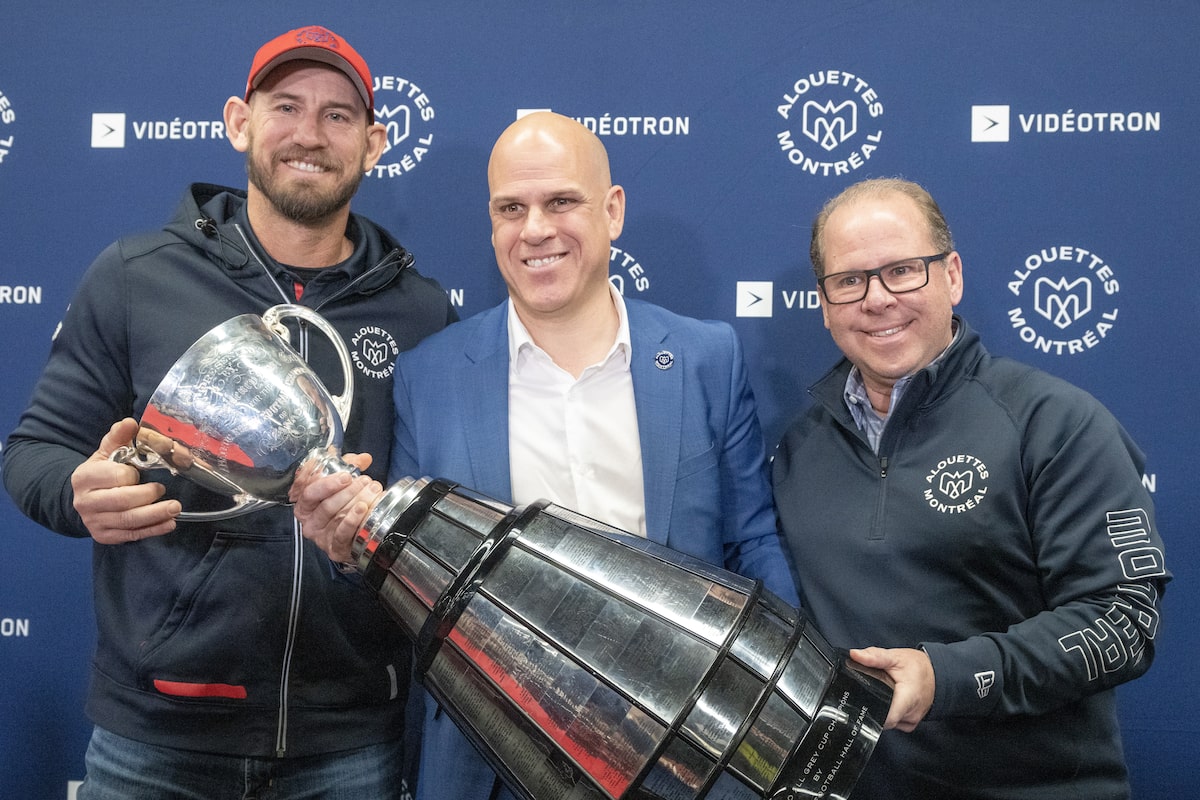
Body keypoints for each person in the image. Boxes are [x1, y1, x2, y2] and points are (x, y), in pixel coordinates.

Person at [291, 111, 800, 800]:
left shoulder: (707, 358)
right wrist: (348, 548)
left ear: (613, 211)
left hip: (687, 762)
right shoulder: (429, 375)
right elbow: (398, 575)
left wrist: (784, 708)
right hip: (488, 763)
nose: (535, 230)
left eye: (562, 201)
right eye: (512, 208)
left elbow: (753, 545)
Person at [2, 25, 456, 799]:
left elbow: (437, 514)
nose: (309, 135)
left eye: (339, 115)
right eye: (286, 106)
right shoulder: (138, 277)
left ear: (375, 142)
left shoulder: (420, 314)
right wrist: (81, 492)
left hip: (347, 742)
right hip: (157, 738)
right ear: (238, 123)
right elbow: (34, 452)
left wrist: (375, 529)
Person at [771, 177, 1169, 799]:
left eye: (903, 270)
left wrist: (944, 677)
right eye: (849, 281)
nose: (876, 299)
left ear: (951, 276)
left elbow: (1122, 624)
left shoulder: (1056, 423)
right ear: (824, 304)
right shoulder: (796, 448)